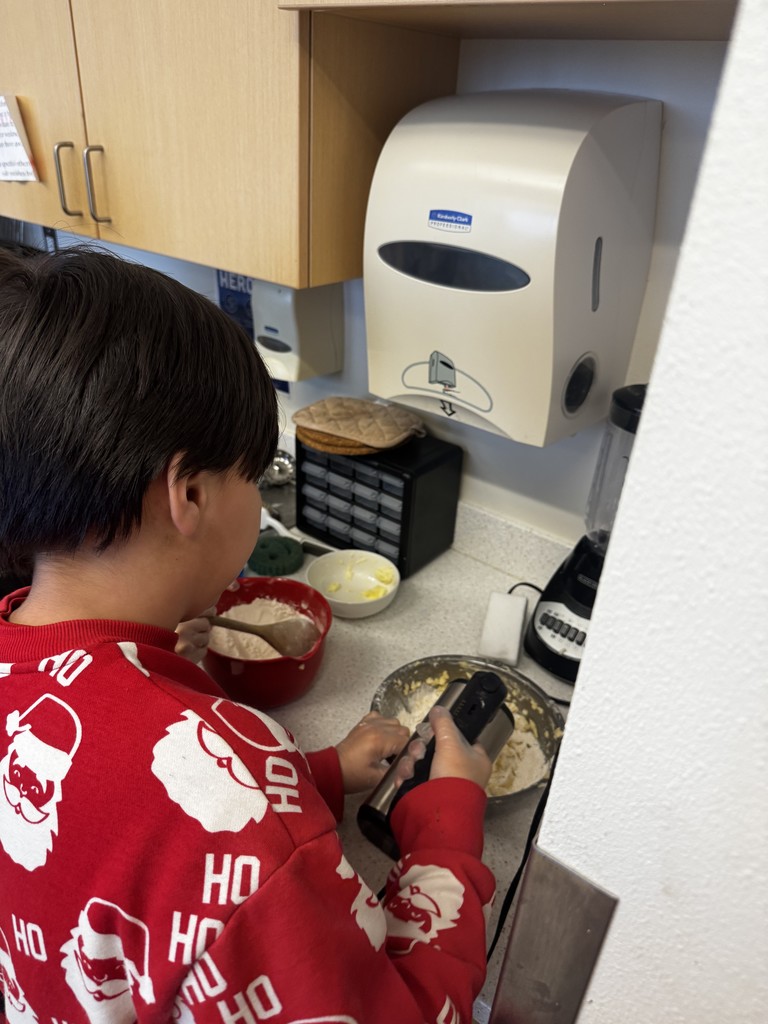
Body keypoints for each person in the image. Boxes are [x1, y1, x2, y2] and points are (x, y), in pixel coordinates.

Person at [0, 246, 495, 1022]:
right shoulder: (235, 795)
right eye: (255, 474)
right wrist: (446, 831)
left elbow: (113, 839)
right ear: (189, 492)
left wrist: (314, 777)